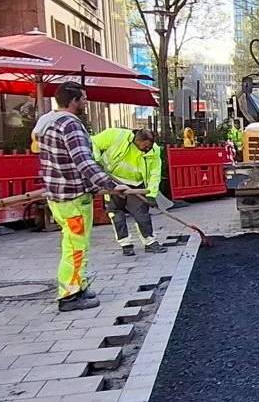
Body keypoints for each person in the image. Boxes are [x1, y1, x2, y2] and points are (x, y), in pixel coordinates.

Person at [33, 82, 129, 312]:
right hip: (73, 197)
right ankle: (69, 295)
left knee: (74, 243)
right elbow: (84, 162)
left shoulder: (47, 122)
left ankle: (79, 284)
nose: (86, 103)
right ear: (73, 100)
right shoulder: (71, 125)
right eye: (83, 99)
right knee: (75, 247)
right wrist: (112, 184)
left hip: (58, 195)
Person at [92, 126, 167, 257]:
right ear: (137, 140)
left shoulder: (153, 151)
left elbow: (155, 173)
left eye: (149, 146)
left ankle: (149, 242)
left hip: (136, 185)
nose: (147, 150)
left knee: (142, 214)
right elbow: (93, 142)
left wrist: (151, 194)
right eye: (145, 146)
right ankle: (125, 244)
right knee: (116, 214)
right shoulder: (116, 135)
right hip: (113, 182)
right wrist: (96, 160)